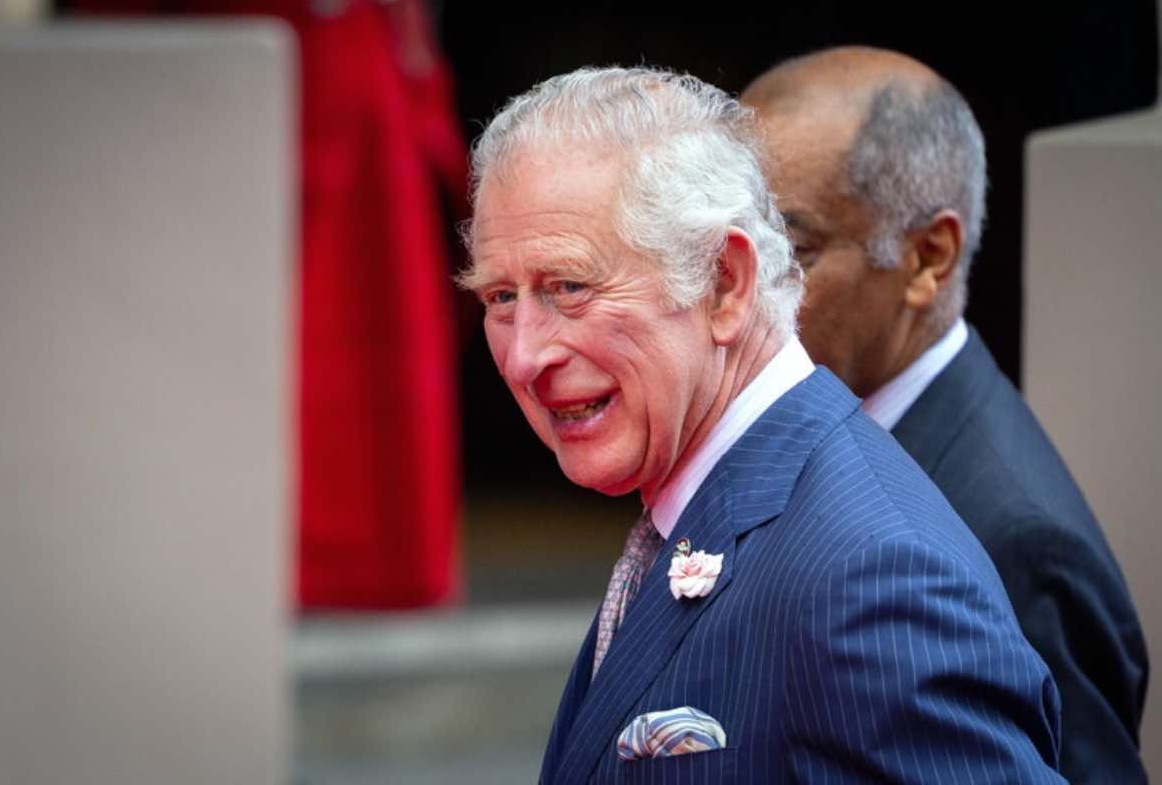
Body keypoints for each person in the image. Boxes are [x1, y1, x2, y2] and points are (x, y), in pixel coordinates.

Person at [460, 64, 1064, 783]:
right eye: (501, 297)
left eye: (570, 286)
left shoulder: (873, 577)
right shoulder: (711, 510)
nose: (525, 356)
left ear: (725, 285)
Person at [742, 46, 1148, 783]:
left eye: (792, 249)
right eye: (729, 246)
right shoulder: (801, 423)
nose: (738, 294)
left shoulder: (1016, 541)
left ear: (928, 257)